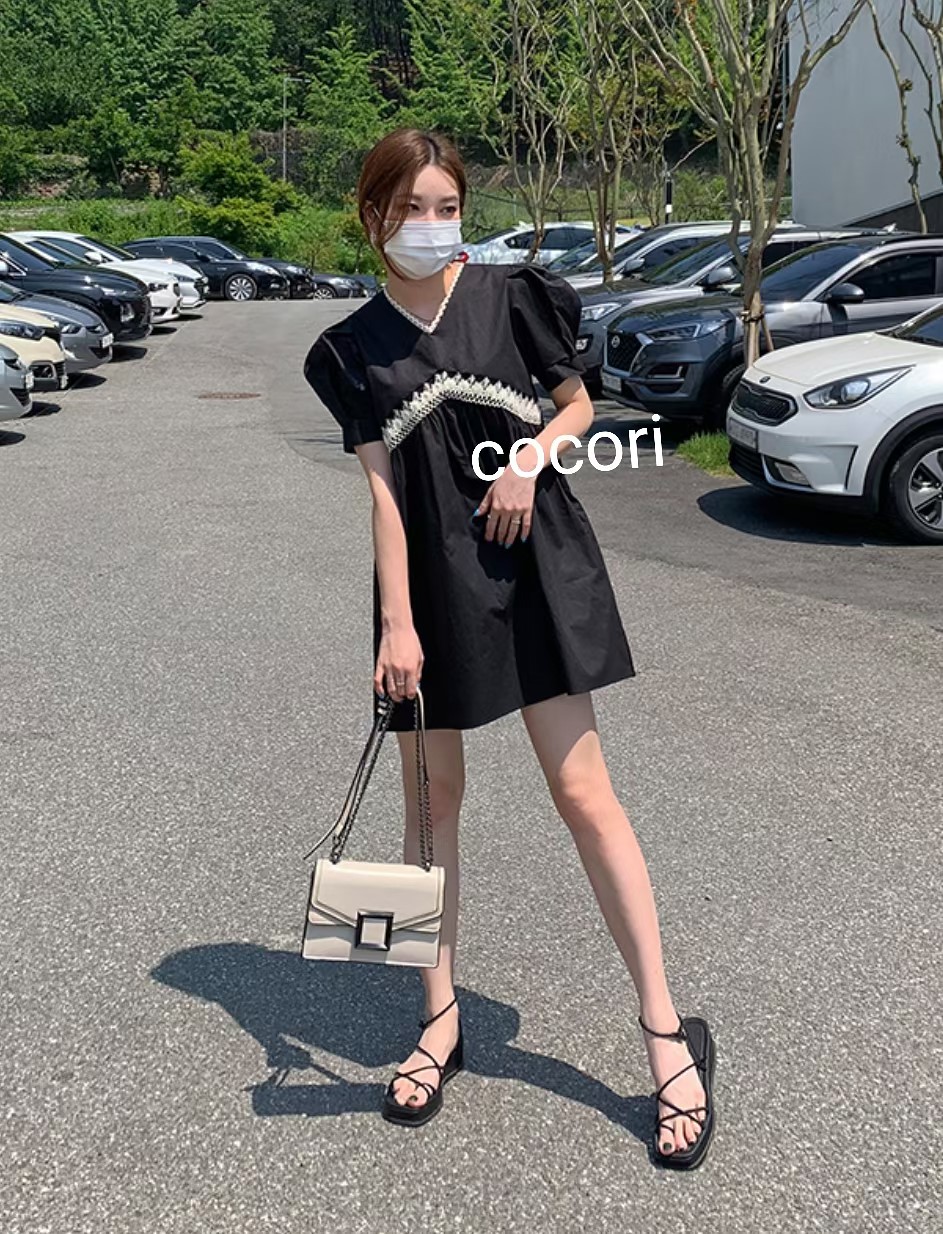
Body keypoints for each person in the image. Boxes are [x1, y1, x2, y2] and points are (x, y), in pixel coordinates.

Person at [303, 127, 716, 1169]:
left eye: (446, 206)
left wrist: (528, 459)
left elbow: (577, 406)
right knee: (430, 805)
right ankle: (438, 1019)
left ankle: (665, 1031)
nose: (430, 225)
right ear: (371, 215)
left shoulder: (512, 297)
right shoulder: (350, 349)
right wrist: (396, 622)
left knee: (584, 794)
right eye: (410, 208)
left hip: (535, 567)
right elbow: (382, 494)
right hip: (430, 591)